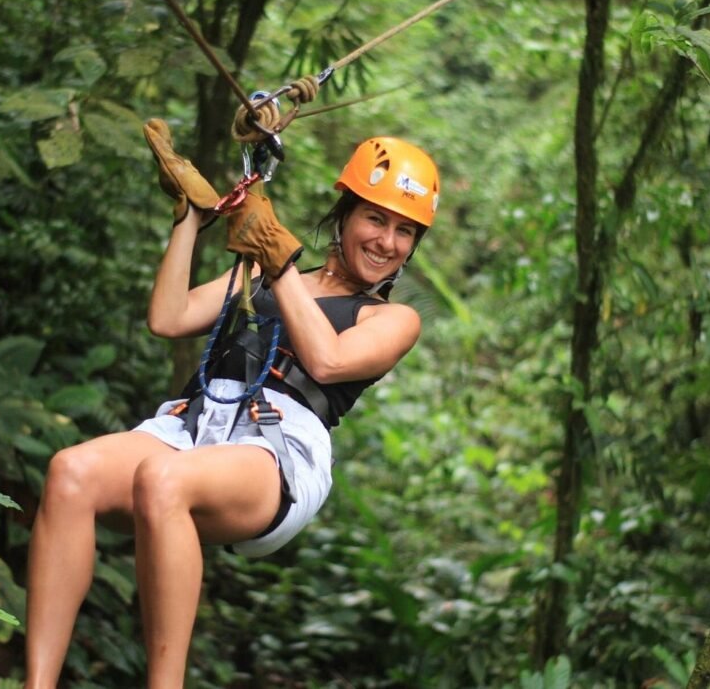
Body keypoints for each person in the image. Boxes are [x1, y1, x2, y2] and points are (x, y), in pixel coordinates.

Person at [24, 120, 440, 689]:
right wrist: (190, 222)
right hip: (201, 420)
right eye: (375, 218)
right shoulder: (261, 274)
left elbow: (327, 362)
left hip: (279, 449)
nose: (386, 241)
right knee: (69, 472)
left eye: (404, 231)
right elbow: (167, 318)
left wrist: (277, 257)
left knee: (163, 479)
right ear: (344, 214)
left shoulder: (392, 318)